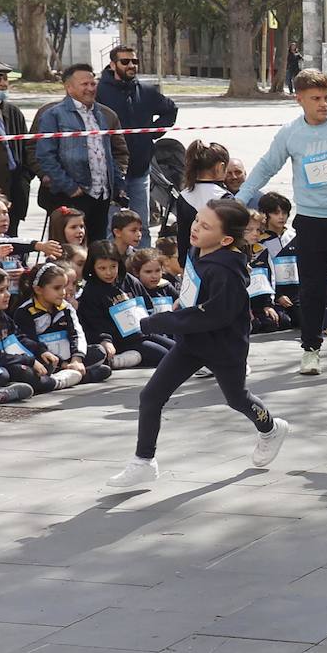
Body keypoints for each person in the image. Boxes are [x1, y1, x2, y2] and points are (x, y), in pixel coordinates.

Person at [106, 199, 289, 488]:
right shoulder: (196, 248)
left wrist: (162, 321)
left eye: (205, 226)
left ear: (226, 239)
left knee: (237, 398)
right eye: (196, 221)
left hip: (224, 346)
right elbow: (192, 284)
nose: (195, 229)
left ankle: (271, 428)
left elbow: (212, 316)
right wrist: (183, 299)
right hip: (191, 342)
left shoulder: (227, 272)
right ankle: (144, 461)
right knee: (150, 396)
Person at [235, 68, 327, 379]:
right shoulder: (291, 133)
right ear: (299, 99)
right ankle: (310, 350)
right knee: (312, 289)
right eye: (315, 98)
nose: (323, 104)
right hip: (312, 222)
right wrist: (238, 199)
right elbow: (265, 167)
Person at [34, 64, 127, 242]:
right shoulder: (53, 115)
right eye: (85, 84)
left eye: (93, 84)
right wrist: (70, 187)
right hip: (72, 196)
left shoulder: (102, 114)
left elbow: (111, 152)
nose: (90, 89)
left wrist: (117, 183)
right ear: (69, 87)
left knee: (98, 248)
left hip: (102, 195)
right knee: (69, 250)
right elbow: (45, 156)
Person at [97, 45, 178, 249]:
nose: (131, 65)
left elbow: (171, 110)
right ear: (113, 64)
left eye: (135, 61)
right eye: (125, 61)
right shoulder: (99, 92)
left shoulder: (147, 91)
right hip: (110, 173)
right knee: (111, 227)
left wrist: (151, 133)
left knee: (141, 225)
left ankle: (143, 264)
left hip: (140, 170)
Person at [13, 261, 113, 390]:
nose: (63, 292)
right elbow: (30, 343)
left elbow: (77, 333)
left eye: (64, 287)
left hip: (70, 357)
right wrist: (63, 364)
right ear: (38, 289)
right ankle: (78, 377)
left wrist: (77, 359)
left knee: (98, 351)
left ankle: (66, 376)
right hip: (48, 358)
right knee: (39, 366)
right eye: (57, 288)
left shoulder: (66, 308)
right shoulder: (25, 311)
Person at [77, 239, 173, 369]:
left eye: (113, 267)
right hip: (121, 342)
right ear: (93, 267)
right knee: (164, 356)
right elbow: (95, 322)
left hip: (143, 333)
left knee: (176, 349)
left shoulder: (128, 280)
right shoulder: (91, 291)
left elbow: (146, 303)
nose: (109, 272)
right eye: (102, 268)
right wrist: (106, 340)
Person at [177, 141, 233, 259]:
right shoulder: (224, 197)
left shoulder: (184, 195)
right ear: (220, 167)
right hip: (219, 259)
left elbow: (182, 235)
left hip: (191, 261)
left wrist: (182, 262)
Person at [0, 62, 35, 237]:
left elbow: (27, 148)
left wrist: (25, 178)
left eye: (5, 78)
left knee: (13, 241)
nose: (4, 84)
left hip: (15, 189)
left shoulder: (12, 112)